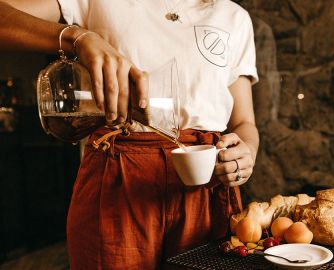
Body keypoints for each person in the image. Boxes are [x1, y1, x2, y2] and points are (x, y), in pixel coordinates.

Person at [0, 0, 259, 269]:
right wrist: (76, 37)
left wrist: (246, 151)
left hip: (205, 185)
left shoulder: (233, 16)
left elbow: (244, 123)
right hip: (118, 178)